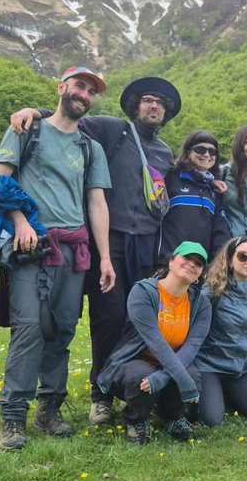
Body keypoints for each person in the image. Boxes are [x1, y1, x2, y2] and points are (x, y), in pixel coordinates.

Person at [10, 76, 182, 427]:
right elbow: (69, 118)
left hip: (147, 245)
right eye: (148, 100)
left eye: (161, 104)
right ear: (136, 105)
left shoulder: (165, 153)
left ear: (166, 114)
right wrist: (34, 111)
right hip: (111, 240)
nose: (154, 107)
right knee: (107, 318)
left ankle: (132, 390)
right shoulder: (113, 130)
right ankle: (99, 396)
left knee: (140, 321)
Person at [0, 66, 114, 450]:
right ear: (61, 88)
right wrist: (20, 221)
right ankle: (12, 417)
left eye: (91, 91)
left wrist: (105, 258)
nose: (84, 94)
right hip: (31, 248)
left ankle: (49, 409)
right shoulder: (28, 130)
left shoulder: (89, 147)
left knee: (61, 329)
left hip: (73, 251)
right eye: (79, 85)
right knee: (28, 328)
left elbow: (96, 202)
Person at [97, 242, 212, 444]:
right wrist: (179, 380)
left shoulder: (201, 304)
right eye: (187, 258)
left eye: (198, 263)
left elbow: (192, 346)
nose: (192, 265)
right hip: (136, 361)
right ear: (171, 261)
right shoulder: (143, 292)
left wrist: (164, 378)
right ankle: (136, 419)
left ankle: (172, 417)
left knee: (192, 375)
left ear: (199, 275)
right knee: (141, 376)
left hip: (173, 360)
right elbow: (155, 342)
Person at [193, 236, 247, 426]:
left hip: (241, 368)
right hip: (209, 365)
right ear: (230, 261)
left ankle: (226, 395)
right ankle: (211, 395)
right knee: (211, 420)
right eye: (242, 256)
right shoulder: (212, 292)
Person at [158, 131, 231, 265]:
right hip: (169, 263)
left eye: (212, 151)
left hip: (199, 266)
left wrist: (216, 265)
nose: (207, 154)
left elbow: (220, 230)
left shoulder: (214, 189)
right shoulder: (170, 177)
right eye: (200, 149)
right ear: (188, 152)